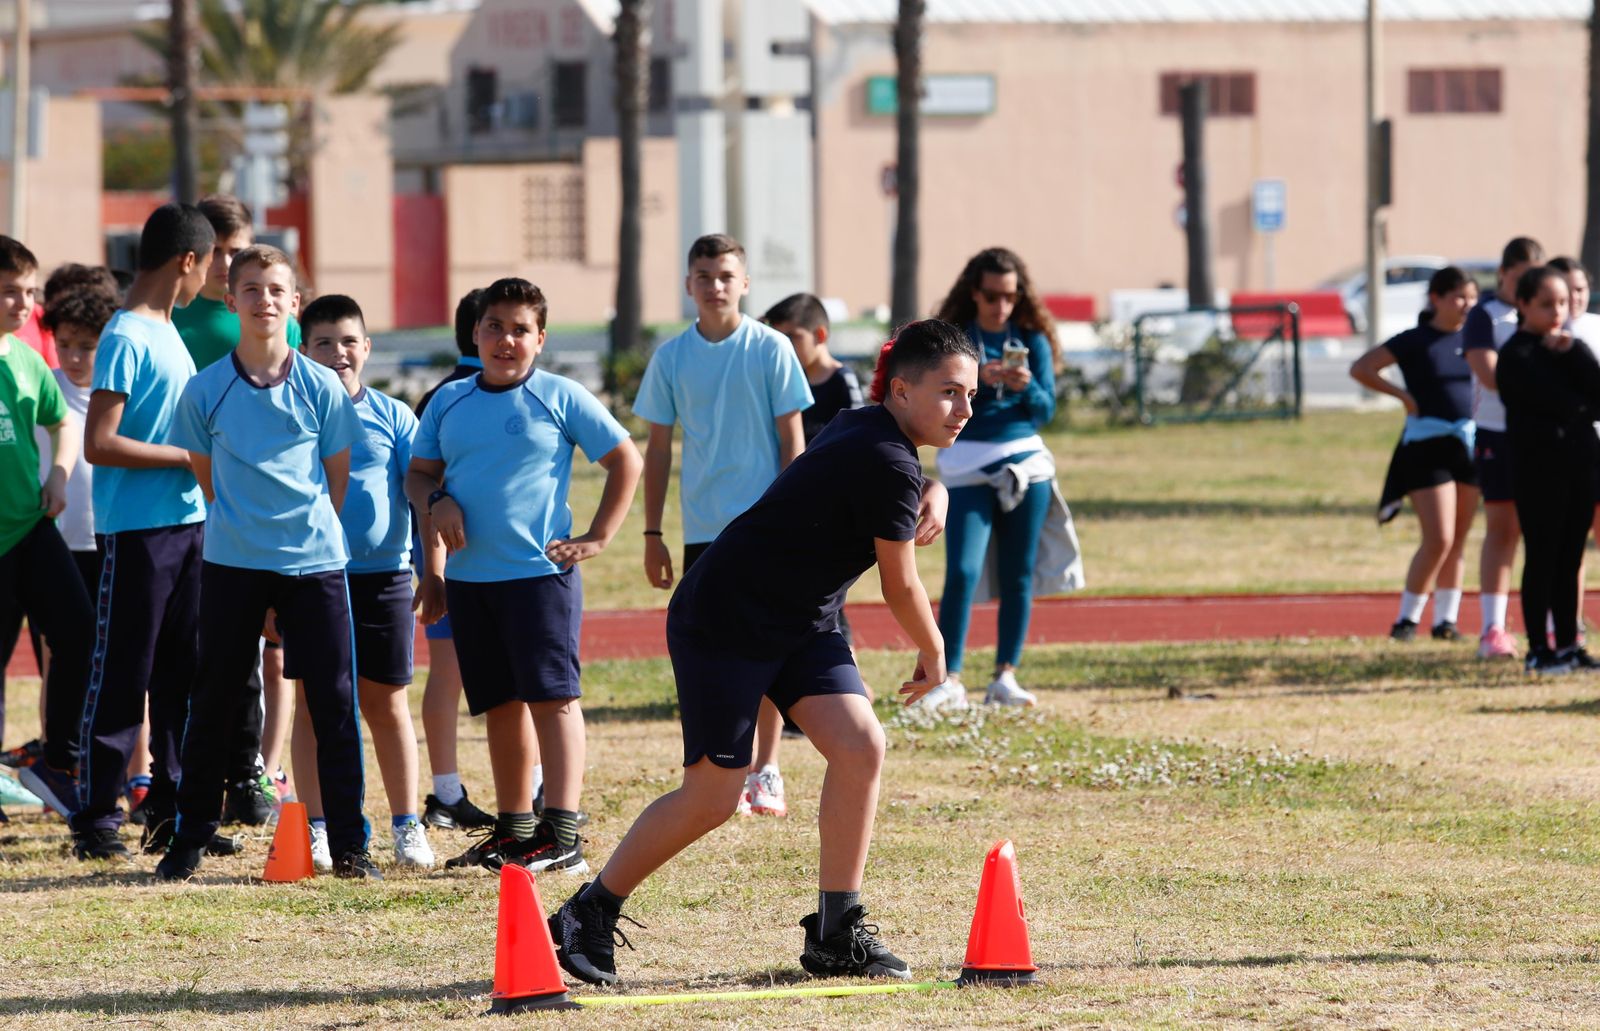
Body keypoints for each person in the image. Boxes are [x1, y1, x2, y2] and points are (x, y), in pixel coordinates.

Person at [547, 319, 972, 987]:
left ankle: (836, 932)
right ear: (900, 391)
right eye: (950, 392)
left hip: (803, 623)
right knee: (713, 797)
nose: (964, 410)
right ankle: (588, 911)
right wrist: (935, 648)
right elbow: (900, 582)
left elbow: (897, 484)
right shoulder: (887, 455)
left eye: (969, 395)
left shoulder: (874, 432)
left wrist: (937, 488)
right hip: (726, 619)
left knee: (861, 744)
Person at [406, 277, 641, 873]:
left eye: (519, 329)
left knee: (553, 701)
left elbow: (624, 460)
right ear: (475, 334)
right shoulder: (448, 401)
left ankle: (561, 835)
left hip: (540, 577)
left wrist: (598, 537)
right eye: (494, 327)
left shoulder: (559, 396)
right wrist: (437, 504)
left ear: (540, 338)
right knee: (500, 704)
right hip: (470, 580)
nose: (505, 339)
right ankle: (514, 829)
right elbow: (418, 476)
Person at [158, 244, 373, 881]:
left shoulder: (321, 388)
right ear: (231, 301)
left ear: (295, 304)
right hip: (231, 564)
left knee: (333, 705)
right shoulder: (205, 390)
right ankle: (190, 835)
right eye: (251, 290)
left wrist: (301, 541)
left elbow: (336, 481)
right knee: (214, 699)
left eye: (277, 290)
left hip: (315, 563)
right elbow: (207, 481)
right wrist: (250, 536)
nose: (264, 301)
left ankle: (352, 846)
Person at [635, 235, 813, 819]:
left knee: (764, 650)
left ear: (745, 284)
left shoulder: (772, 348)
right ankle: (726, 769)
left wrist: (791, 519)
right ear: (689, 284)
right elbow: (657, 450)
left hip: (765, 527)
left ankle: (767, 770)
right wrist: (652, 533)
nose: (715, 286)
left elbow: (793, 439)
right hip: (703, 530)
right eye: (704, 275)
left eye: (726, 275)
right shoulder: (671, 358)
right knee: (716, 653)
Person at [70, 208, 218, 861]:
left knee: (181, 674)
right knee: (124, 673)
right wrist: (187, 458)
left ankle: (169, 806)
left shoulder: (168, 329)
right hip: (138, 532)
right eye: (208, 266)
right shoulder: (126, 335)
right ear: (188, 260)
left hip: (189, 528)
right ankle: (98, 812)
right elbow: (100, 443)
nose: (206, 279)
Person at [288, 294, 434, 869]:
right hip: (311, 577)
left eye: (349, 341)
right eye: (324, 342)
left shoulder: (393, 415)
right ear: (304, 350)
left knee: (386, 702)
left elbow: (421, 493)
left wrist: (434, 571)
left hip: (385, 578)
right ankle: (318, 825)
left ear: (367, 349)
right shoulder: (290, 414)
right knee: (312, 705)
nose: (338, 353)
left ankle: (406, 825)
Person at [172, 193, 298, 819]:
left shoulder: (279, 319)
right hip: (193, 508)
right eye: (217, 252)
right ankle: (182, 781)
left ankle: (255, 770)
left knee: (270, 652)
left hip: (271, 525)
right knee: (204, 654)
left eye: (237, 250)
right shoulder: (179, 316)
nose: (226, 262)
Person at [926, 247, 1060, 708]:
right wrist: (973, 382)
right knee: (962, 570)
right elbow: (939, 405)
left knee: (1017, 573)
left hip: (1024, 459)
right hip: (966, 462)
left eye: (1008, 296)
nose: (999, 305)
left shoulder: (1032, 338)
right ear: (974, 292)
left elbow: (1045, 412)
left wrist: (1029, 386)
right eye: (989, 295)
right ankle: (949, 678)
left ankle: (1005, 674)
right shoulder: (959, 339)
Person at [0, 236, 93, 827]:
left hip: (30, 528)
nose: (23, 303)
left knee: (82, 638)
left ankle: (57, 761)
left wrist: (59, 474)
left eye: (29, 292)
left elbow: (64, 423)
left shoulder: (27, 358)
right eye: (11, 290)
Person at [1350, 266, 1480, 641]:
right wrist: (1404, 398)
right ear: (1435, 298)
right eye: (1459, 296)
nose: (1466, 304)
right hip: (1427, 446)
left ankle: (1446, 622)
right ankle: (1406, 620)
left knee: (1458, 538)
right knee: (1438, 536)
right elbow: (1363, 368)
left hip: (1468, 445)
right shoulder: (1415, 340)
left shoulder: (1477, 340)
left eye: (1471, 297)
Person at [416, 288, 495, 833]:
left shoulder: (435, 394)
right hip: (473, 567)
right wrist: (435, 569)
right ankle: (452, 793)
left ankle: (447, 788)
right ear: (478, 331)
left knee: (452, 679)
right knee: (506, 684)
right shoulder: (466, 395)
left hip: (461, 562)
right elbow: (427, 490)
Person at [1495, 266, 1600, 673]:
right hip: (1539, 470)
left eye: (1562, 302)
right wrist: (1579, 405)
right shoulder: (1517, 354)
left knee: (1571, 557)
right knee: (1542, 555)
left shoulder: (1567, 348)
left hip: (1580, 465)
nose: (1558, 311)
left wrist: (1574, 351)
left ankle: (1570, 645)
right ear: (1522, 305)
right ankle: (1539, 649)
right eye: (1546, 304)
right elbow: (1557, 403)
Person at [1464, 237, 1543, 660]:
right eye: (1521, 276)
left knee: (1548, 530)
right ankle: (1493, 629)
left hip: (1543, 434)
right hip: (1499, 433)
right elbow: (1490, 375)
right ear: (1504, 274)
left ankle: (1553, 624)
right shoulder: (1486, 315)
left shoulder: (1544, 312)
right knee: (1503, 527)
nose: (1528, 285)